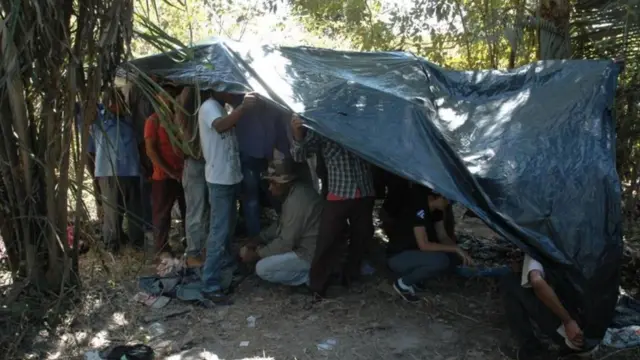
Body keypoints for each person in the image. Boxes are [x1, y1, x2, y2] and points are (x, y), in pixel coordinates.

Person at [290, 114, 375, 300]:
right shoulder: (323, 127)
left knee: (362, 236)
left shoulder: (361, 124)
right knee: (327, 240)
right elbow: (299, 155)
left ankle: (351, 277)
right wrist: (297, 133)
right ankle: (317, 286)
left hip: (365, 191)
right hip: (339, 192)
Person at [198, 89, 258, 302]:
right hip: (219, 179)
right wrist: (242, 108)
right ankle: (210, 284)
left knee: (228, 228)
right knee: (219, 231)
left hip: (230, 177)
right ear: (215, 88)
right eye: (228, 88)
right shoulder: (209, 108)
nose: (234, 92)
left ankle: (226, 267)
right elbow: (220, 125)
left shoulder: (222, 108)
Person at [239, 159, 322, 287]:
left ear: (286, 183)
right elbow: (280, 224)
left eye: (273, 183)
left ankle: (309, 276)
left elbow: (286, 242)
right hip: (306, 246)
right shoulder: (295, 192)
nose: (270, 188)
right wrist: (260, 238)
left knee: (263, 268)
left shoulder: (297, 201)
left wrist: (257, 254)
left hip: (310, 254)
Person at [384, 184, 473, 302]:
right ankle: (403, 284)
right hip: (399, 257)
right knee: (440, 260)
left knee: (453, 258)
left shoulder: (437, 211)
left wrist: (458, 250)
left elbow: (443, 236)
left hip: (416, 254)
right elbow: (424, 245)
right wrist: (455, 249)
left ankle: (417, 279)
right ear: (436, 197)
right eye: (447, 201)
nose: (448, 205)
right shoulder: (418, 210)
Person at [500, 255, 596, 360]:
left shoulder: (540, 245)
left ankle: (531, 350)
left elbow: (537, 280)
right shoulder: (589, 245)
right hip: (596, 332)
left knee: (510, 281)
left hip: (573, 336)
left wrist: (568, 321)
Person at [93, 89, 145, 252]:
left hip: (131, 170)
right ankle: (112, 243)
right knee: (112, 211)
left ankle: (137, 241)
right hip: (109, 171)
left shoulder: (130, 120)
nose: (118, 105)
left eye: (120, 101)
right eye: (115, 102)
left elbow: (139, 143)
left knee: (135, 209)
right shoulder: (100, 119)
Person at [235, 98, 290, 237]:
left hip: (260, 155)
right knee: (256, 197)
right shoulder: (248, 103)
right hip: (254, 155)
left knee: (264, 195)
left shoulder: (247, 102)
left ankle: (283, 229)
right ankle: (259, 236)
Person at [144, 89, 186, 257]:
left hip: (182, 173)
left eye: (171, 96)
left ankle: (190, 243)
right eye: (164, 96)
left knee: (188, 210)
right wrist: (169, 171)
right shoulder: (153, 121)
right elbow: (151, 151)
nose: (168, 100)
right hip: (163, 176)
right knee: (162, 214)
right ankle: (162, 248)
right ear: (158, 98)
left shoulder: (178, 120)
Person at [175, 87, 209, 266]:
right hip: (197, 161)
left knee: (200, 210)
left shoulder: (183, 104)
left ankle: (200, 250)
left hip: (197, 161)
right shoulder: (190, 100)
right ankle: (194, 253)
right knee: (197, 210)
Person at [75, 102, 104, 220]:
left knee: (103, 179)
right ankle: (101, 211)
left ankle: (105, 211)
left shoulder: (102, 108)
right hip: (89, 150)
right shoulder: (78, 108)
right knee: (95, 179)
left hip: (101, 149)